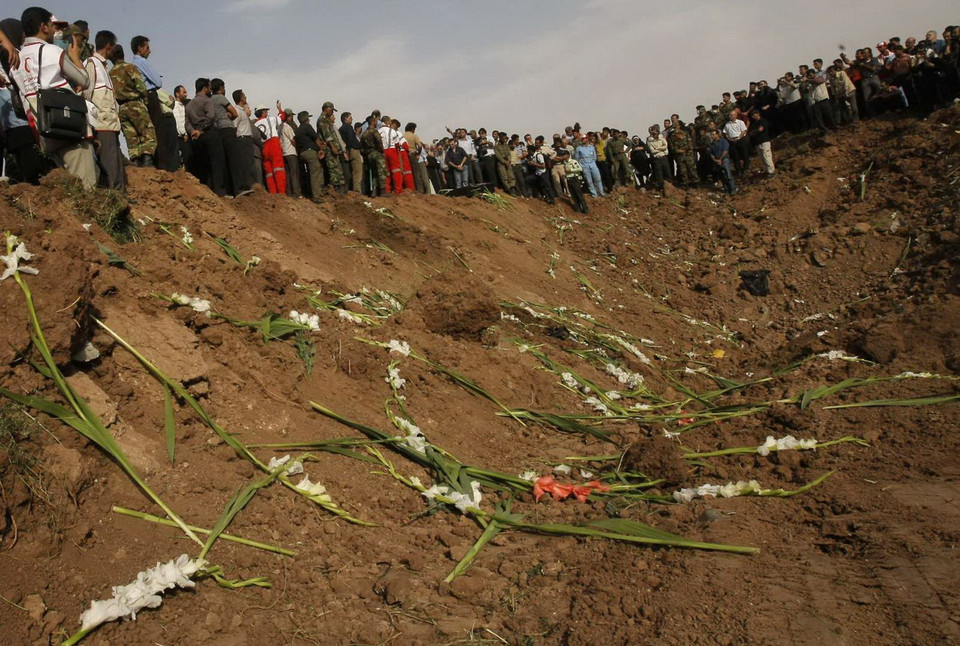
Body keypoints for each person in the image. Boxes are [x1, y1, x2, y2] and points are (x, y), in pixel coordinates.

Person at [17, 6, 97, 189]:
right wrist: (75, 57)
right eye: (52, 26)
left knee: (67, 187)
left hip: (43, 130)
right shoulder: (52, 52)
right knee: (86, 187)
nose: (55, 31)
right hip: (68, 127)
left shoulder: (17, 60)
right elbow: (84, 81)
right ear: (44, 27)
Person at [82, 30, 125, 190]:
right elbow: (86, 95)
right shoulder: (91, 64)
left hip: (110, 124)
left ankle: (120, 194)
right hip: (101, 124)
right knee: (109, 162)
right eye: (113, 46)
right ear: (108, 46)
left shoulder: (103, 67)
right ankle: (116, 196)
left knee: (115, 161)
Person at [130, 35, 178, 171]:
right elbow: (158, 81)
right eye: (147, 47)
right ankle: (164, 166)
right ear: (140, 48)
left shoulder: (132, 64)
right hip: (150, 97)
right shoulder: (141, 62)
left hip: (141, 99)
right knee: (159, 131)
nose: (149, 51)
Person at [109, 45, 156, 167]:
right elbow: (141, 87)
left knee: (131, 137)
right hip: (135, 104)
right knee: (147, 132)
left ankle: (135, 163)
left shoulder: (110, 73)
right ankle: (148, 162)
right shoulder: (130, 67)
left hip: (122, 108)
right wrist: (145, 102)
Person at [184, 77, 226, 196]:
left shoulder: (189, 105)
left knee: (203, 164)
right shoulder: (207, 101)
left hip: (196, 139)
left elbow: (186, 122)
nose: (210, 89)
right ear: (204, 88)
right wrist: (200, 130)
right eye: (209, 87)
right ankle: (220, 191)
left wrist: (193, 131)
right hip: (209, 133)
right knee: (217, 162)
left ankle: (208, 191)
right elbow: (210, 117)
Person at [210, 78, 245, 196]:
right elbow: (235, 113)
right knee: (235, 160)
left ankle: (228, 191)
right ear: (221, 88)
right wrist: (229, 115)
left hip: (217, 131)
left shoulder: (209, 100)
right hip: (227, 129)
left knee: (223, 161)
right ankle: (239, 189)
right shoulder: (220, 98)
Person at [253, 104, 285, 194]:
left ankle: (273, 193)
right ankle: (281, 192)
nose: (267, 112)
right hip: (273, 143)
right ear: (263, 112)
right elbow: (282, 117)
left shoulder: (255, 124)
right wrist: (280, 109)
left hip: (263, 147)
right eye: (266, 111)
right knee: (278, 168)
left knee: (269, 172)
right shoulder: (270, 119)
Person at [317, 101, 346, 194]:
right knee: (334, 168)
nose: (332, 113)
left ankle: (340, 187)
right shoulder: (322, 120)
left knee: (337, 167)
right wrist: (333, 147)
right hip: (329, 149)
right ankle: (336, 188)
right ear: (327, 109)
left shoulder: (326, 120)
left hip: (333, 148)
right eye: (331, 110)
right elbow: (327, 135)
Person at [231, 88, 258, 190]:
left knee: (250, 163)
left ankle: (251, 185)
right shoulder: (237, 111)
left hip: (247, 140)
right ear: (241, 98)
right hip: (242, 140)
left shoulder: (242, 111)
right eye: (244, 95)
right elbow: (234, 127)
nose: (246, 97)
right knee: (246, 164)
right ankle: (247, 186)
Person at [295, 110, 323, 202]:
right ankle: (316, 196)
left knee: (307, 174)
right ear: (307, 119)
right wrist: (320, 149)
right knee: (315, 173)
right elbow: (316, 138)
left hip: (302, 153)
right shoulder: (307, 127)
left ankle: (308, 192)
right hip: (310, 152)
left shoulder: (298, 130)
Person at [359, 114, 386, 196]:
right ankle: (383, 190)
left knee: (373, 173)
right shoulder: (374, 131)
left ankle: (373, 191)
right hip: (376, 153)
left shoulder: (363, 134)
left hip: (368, 155)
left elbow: (361, 148)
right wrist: (382, 151)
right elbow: (379, 142)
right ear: (373, 122)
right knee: (381, 171)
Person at [378, 114, 404, 194]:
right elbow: (397, 144)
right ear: (388, 121)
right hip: (392, 150)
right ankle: (398, 190)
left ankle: (387, 190)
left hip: (382, 151)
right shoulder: (392, 131)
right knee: (396, 171)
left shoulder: (378, 131)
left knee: (386, 171)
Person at [574, 133, 604, 197]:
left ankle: (601, 192)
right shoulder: (579, 148)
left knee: (598, 178)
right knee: (589, 180)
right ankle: (594, 194)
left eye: (584, 139)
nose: (583, 140)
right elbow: (577, 158)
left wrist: (592, 162)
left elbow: (594, 157)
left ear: (587, 139)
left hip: (592, 164)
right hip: (584, 165)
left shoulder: (592, 147)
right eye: (582, 139)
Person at [403, 122, 430, 193]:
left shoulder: (402, 135)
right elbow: (420, 146)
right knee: (417, 174)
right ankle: (420, 190)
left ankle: (411, 189)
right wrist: (417, 153)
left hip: (405, 155)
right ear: (412, 129)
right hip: (413, 155)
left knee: (408, 173)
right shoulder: (414, 136)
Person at [339, 111, 363, 192]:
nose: (352, 119)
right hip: (354, 150)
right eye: (350, 117)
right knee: (357, 172)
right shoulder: (348, 127)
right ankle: (357, 191)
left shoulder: (341, 129)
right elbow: (351, 140)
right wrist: (359, 145)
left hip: (347, 151)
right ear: (346, 118)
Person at [748, 110, 775, 178]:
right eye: (752, 115)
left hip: (764, 141)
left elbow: (760, 129)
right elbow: (750, 133)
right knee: (761, 158)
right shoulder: (754, 123)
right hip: (757, 142)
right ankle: (766, 171)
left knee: (767, 157)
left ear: (758, 114)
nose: (753, 117)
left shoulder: (763, 121)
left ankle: (771, 171)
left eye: (754, 115)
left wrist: (754, 132)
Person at [279, 108, 300, 197]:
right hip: (291, 152)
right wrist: (297, 149)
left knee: (287, 174)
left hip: (283, 152)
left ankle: (289, 192)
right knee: (294, 174)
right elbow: (293, 140)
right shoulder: (287, 127)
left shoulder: (278, 127)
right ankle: (296, 193)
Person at [709, 128, 736, 195]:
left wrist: (720, 159)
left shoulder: (723, 141)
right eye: (711, 135)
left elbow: (725, 151)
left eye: (713, 134)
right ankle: (726, 189)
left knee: (728, 175)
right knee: (722, 176)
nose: (712, 136)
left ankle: (732, 189)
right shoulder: (711, 144)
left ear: (717, 134)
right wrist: (715, 160)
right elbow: (711, 153)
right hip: (717, 161)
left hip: (724, 160)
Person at [173, 84, 192, 173]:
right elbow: (179, 122)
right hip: (182, 137)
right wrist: (184, 134)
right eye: (183, 92)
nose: (186, 94)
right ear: (177, 94)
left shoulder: (183, 105)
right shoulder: (176, 106)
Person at [645, 125, 669, 192]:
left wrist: (658, 149)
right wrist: (661, 149)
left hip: (663, 156)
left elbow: (665, 146)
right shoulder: (649, 140)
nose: (654, 134)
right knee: (658, 172)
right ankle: (660, 186)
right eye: (653, 132)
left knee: (667, 170)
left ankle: (669, 183)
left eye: (655, 132)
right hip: (656, 158)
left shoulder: (662, 138)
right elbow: (652, 151)